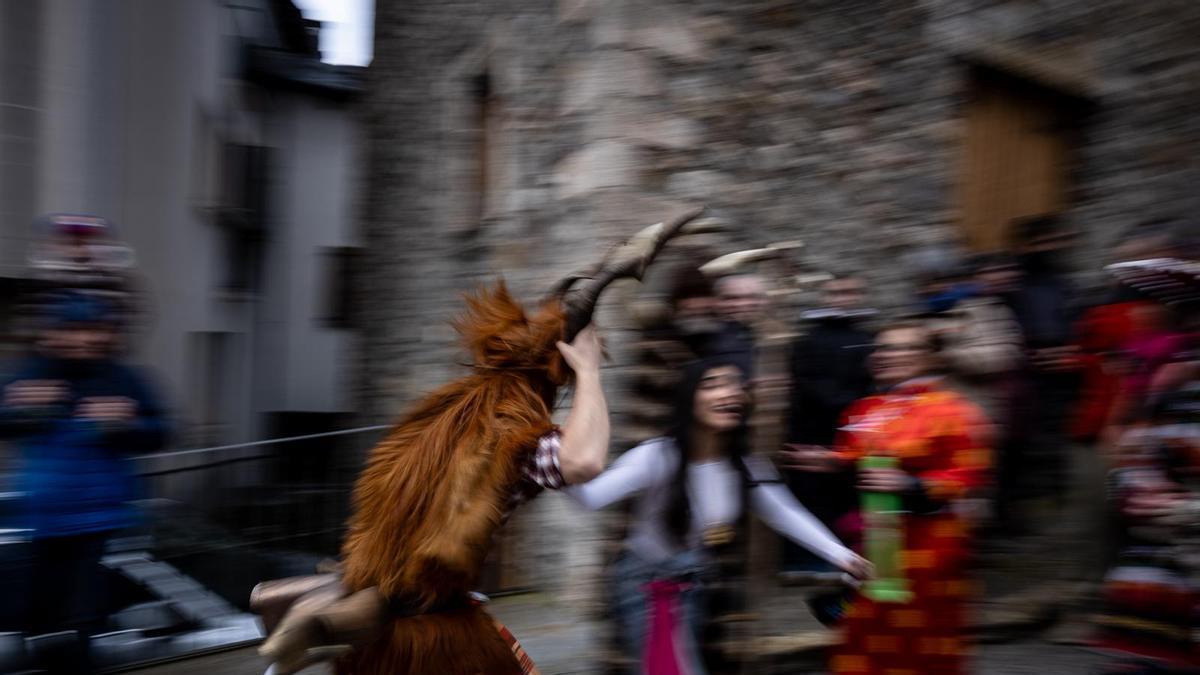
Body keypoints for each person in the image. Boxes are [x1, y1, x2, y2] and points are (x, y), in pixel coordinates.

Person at [567, 356, 870, 674]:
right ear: (689, 398)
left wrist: (844, 557)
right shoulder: (656, 456)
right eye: (712, 384)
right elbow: (590, 497)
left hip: (692, 585)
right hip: (648, 589)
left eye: (735, 385)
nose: (729, 393)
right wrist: (553, 462)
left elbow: (785, 513)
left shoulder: (745, 468)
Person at [782, 322, 992, 675]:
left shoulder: (954, 411)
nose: (885, 356)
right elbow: (856, 454)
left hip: (929, 543)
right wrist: (831, 461)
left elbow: (967, 476)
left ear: (928, 357)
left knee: (921, 635)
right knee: (866, 630)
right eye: (881, 349)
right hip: (877, 537)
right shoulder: (864, 408)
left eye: (900, 348)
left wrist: (912, 484)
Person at [1, 291, 168, 674]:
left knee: (79, 623)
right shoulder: (31, 372)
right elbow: (6, 421)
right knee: (38, 621)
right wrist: (23, 412)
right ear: (52, 333)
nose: (84, 339)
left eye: (93, 330)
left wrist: (125, 425)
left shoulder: (122, 377)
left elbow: (161, 433)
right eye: (73, 329)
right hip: (43, 517)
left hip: (98, 519)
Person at [781, 274, 875, 578]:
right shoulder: (808, 341)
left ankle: (844, 557)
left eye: (850, 291)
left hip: (852, 437)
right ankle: (808, 559)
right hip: (814, 433)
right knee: (812, 499)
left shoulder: (867, 339)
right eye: (836, 292)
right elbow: (806, 386)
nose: (843, 298)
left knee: (844, 500)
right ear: (825, 297)